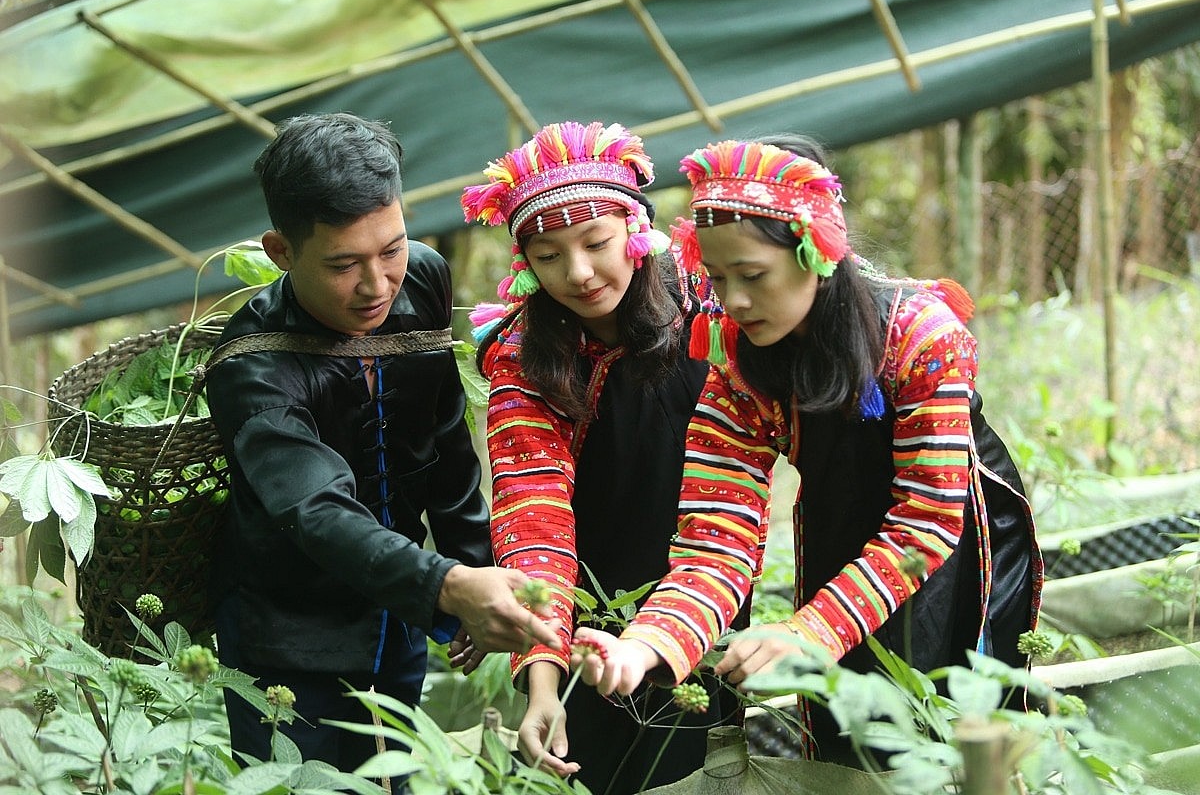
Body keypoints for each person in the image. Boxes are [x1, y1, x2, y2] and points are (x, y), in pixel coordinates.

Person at [572, 134, 1043, 764]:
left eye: (753, 275)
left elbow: (926, 521)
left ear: (815, 253)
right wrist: (648, 642)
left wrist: (812, 628)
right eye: (716, 277)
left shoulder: (921, 336)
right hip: (837, 529)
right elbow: (718, 530)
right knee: (844, 726)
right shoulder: (735, 365)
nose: (732, 301)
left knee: (949, 718)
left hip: (957, 537)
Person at [206, 112, 559, 772]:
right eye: (343, 264)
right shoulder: (250, 368)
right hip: (287, 639)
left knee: (389, 777)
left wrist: (471, 564)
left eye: (390, 248)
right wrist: (450, 585)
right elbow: (317, 511)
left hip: (399, 615)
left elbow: (445, 434)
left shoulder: (423, 278)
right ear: (281, 252)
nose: (377, 285)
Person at [461, 120, 740, 794]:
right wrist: (542, 677)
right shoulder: (521, 359)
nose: (578, 273)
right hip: (584, 623)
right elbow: (534, 522)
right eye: (548, 255)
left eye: (596, 243)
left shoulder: (712, 305)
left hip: (712, 573)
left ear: (636, 230)